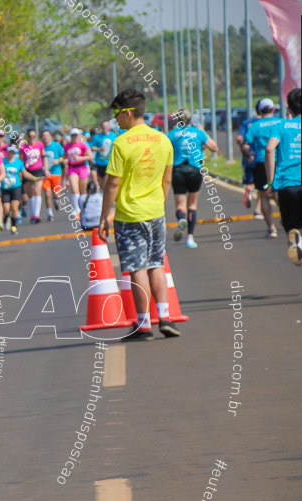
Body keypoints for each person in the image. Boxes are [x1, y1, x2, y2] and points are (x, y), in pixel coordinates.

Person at [99, 88, 180, 342]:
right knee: (156, 264)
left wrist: (105, 215)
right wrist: (158, 203)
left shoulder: (121, 143)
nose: (116, 120)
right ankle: (165, 317)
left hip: (130, 215)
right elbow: (167, 179)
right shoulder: (163, 140)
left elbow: (112, 184)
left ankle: (144, 325)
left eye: (117, 114)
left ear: (129, 112)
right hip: (155, 213)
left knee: (137, 268)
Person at [267, 88, 302, 296]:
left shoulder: (281, 126)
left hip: (287, 186)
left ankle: (296, 239)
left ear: (288, 107)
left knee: (293, 228)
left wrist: (271, 180)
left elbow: (270, 149)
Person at [168, 109, 219, 248]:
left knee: (180, 204)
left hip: (177, 170)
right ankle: (190, 238)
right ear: (191, 119)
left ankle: (181, 220)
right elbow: (214, 147)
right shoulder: (197, 132)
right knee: (192, 204)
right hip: (194, 170)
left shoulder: (172, 134)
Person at [243, 98, 284, 238]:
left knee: (264, 195)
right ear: (273, 109)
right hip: (280, 161)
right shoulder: (281, 122)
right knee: (280, 193)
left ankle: (272, 228)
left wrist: (248, 155)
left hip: (262, 162)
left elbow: (245, 143)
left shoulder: (255, 126)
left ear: (260, 111)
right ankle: (288, 220)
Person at [1, 145, 33, 233]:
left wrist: (34, 178)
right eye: (9, 151)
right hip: (5, 188)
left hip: (16, 187)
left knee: (14, 208)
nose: (11, 153)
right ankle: (6, 219)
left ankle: (13, 226)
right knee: (6, 209)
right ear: (7, 152)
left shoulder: (18, 162)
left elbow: (25, 173)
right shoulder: (2, 162)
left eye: (13, 152)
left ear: (14, 152)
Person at [236, 107, 260, 216]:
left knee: (251, 181)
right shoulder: (270, 122)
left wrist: (244, 149)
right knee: (263, 187)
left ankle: (249, 189)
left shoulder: (247, 123)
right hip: (263, 157)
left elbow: (239, 138)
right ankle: (258, 210)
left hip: (249, 157)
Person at [64, 130, 93, 216]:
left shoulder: (83, 144)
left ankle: (84, 208)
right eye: (72, 135)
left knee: (83, 190)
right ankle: (77, 210)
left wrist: (80, 158)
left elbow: (90, 156)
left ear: (79, 136)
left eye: (76, 135)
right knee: (74, 189)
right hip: (72, 168)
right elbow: (64, 156)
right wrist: (64, 160)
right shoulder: (67, 146)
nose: (74, 137)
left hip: (82, 167)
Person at [20, 129, 46, 224]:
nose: (32, 138)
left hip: (38, 170)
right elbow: (20, 160)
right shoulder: (23, 147)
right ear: (27, 137)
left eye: (34, 136)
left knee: (37, 191)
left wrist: (46, 169)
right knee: (30, 193)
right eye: (30, 136)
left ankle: (36, 214)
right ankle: (32, 214)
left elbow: (44, 156)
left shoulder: (39, 145)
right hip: (28, 171)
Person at [41, 130, 65, 221]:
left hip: (56, 172)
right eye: (43, 135)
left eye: (47, 135)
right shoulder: (41, 147)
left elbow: (63, 157)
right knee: (47, 193)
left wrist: (58, 161)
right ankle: (49, 213)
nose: (45, 137)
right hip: (45, 174)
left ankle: (56, 200)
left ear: (50, 137)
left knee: (56, 194)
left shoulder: (56, 145)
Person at [91, 120, 116, 184]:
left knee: (106, 180)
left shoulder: (113, 135)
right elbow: (91, 148)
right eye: (103, 126)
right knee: (101, 181)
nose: (104, 128)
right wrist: (99, 149)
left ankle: (104, 192)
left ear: (109, 127)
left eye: (106, 126)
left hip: (109, 162)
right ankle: (102, 192)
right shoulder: (97, 137)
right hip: (99, 162)